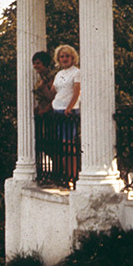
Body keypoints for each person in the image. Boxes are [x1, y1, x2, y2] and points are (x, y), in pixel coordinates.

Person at [51, 45, 81, 183]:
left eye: (67, 56)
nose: (64, 59)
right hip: (57, 110)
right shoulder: (59, 74)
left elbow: (77, 92)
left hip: (69, 112)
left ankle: (73, 176)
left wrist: (69, 107)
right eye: (62, 56)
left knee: (68, 145)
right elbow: (54, 91)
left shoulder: (77, 72)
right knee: (60, 146)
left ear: (72, 57)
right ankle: (64, 175)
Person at [31, 51, 55, 117]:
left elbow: (54, 98)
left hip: (51, 113)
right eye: (34, 63)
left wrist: (46, 109)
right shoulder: (40, 78)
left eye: (38, 63)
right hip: (42, 113)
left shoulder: (51, 78)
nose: (35, 66)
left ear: (45, 63)